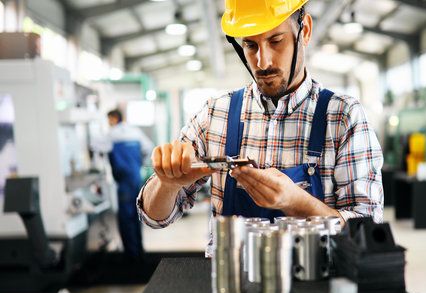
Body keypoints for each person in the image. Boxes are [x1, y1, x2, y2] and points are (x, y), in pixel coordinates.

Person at [137, 0, 383, 256]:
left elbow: (367, 232)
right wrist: (167, 183)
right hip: (232, 284)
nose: (263, 62)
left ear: (305, 30)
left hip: (316, 287)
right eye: (250, 45)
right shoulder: (215, 114)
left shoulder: (343, 117)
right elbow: (155, 218)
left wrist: (297, 203)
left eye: (276, 41)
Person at [95, 109, 153, 258]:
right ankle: (139, 251)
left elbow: (95, 146)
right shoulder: (135, 132)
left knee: (126, 218)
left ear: (114, 118)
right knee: (136, 215)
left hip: (123, 182)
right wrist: (139, 162)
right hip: (136, 178)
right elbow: (149, 148)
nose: (108, 123)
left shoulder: (111, 134)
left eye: (109, 119)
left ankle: (130, 256)